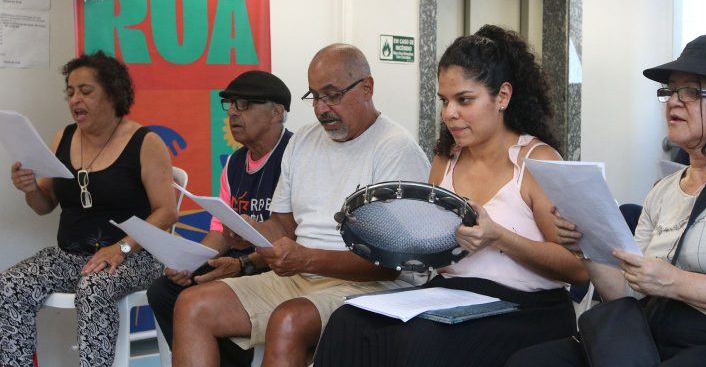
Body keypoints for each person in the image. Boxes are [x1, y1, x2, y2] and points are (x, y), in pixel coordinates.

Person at [508, 34, 706, 366]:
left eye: (691, 92)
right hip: (660, 333)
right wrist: (583, 242)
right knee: (532, 361)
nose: (674, 102)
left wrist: (675, 283)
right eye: (670, 91)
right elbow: (626, 293)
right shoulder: (664, 190)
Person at [314, 25, 588, 367]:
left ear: (502, 97)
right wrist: (382, 228)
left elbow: (577, 270)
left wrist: (499, 237)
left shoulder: (537, 162)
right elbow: (432, 248)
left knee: (422, 341)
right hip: (450, 296)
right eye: (445, 100)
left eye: (464, 100)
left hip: (528, 309)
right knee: (347, 322)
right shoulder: (447, 158)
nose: (449, 113)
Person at [170, 44, 431, 367]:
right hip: (303, 275)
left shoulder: (395, 149)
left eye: (332, 95)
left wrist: (306, 258)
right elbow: (283, 227)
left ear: (367, 88)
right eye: (314, 96)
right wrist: (249, 232)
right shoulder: (304, 141)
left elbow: (387, 263)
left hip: (376, 285)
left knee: (289, 320)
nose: (321, 108)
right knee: (191, 305)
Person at [1, 52, 177, 367]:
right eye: (70, 92)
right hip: (71, 257)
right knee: (9, 285)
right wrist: (29, 188)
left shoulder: (145, 142)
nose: (75, 100)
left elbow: (166, 212)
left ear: (112, 93)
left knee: (94, 288)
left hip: (135, 257)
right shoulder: (63, 137)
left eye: (85, 90)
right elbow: (45, 205)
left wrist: (121, 247)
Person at [146, 70, 293, 366]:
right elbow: (220, 229)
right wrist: (190, 262)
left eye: (245, 105)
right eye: (231, 105)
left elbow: (296, 235)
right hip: (236, 262)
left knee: (208, 296)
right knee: (164, 290)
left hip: (272, 266)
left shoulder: (295, 155)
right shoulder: (235, 163)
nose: (234, 114)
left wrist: (242, 265)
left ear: (277, 112)